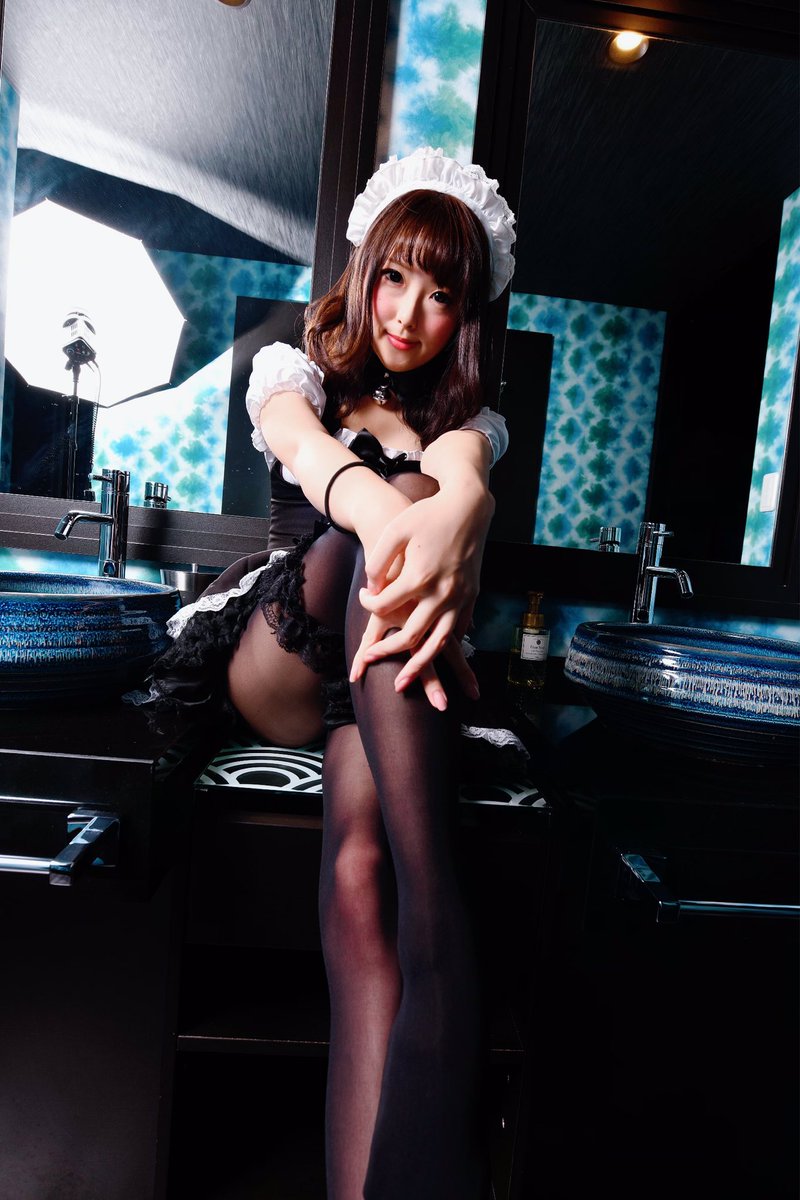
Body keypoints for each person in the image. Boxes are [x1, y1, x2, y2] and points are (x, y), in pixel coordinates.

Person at [148, 146, 518, 1199]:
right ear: (363, 271)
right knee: (365, 537)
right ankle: (445, 927)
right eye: (394, 276)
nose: (407, 313)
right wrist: (420, 519)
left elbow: (463, 475)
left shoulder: (469, 423)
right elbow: (315, 463)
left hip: (376, 680)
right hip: (281, 660)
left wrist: (465, 490)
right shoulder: (293, 367)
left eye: (441, 295)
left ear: (466, 315)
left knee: (360, 872)